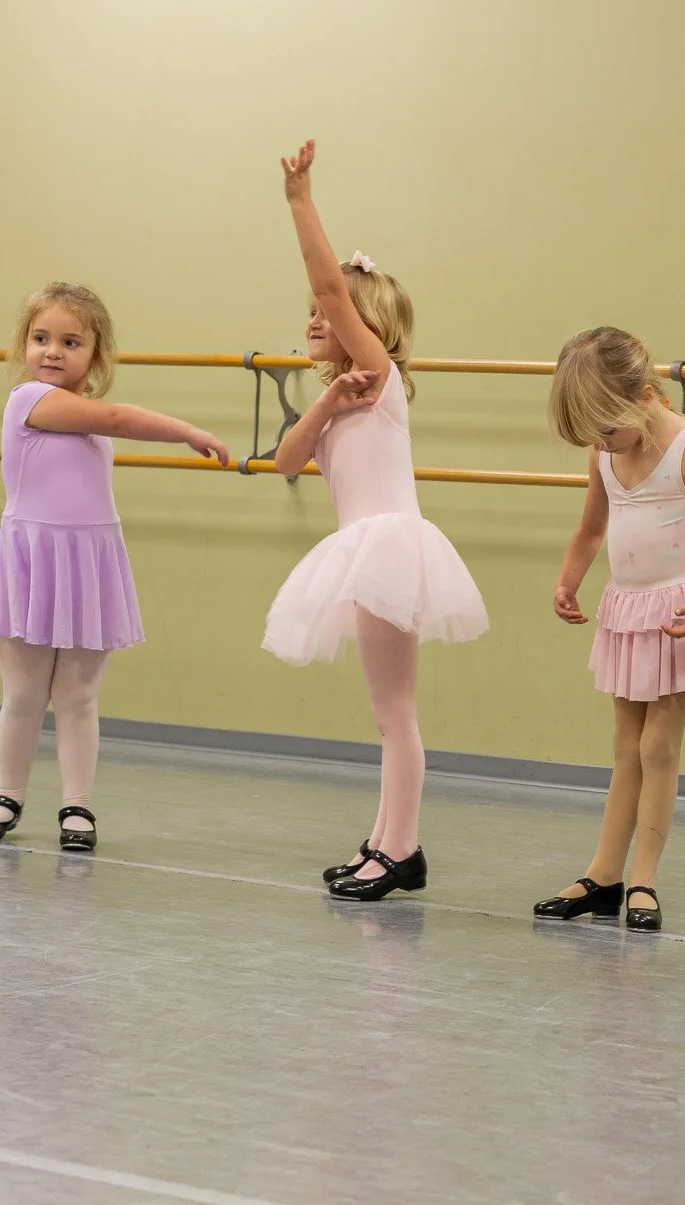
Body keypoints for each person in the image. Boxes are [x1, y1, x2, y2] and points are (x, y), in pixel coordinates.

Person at [262, 139, 489, 901]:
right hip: (366, 551)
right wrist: (324, 399)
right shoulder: (341, 402)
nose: (318, 318)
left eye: (333, 315)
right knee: (384, 709)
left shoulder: (385, 380)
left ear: (370, 328)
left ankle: (402, 849)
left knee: (396, 711)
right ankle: (386, 839)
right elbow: (288, 462)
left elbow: (329, 285)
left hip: (389, 546)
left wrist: (300, 200)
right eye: (316, 316)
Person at [0, 281, 230, 849]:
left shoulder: (82, 415)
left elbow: (100, 419)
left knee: (80, 697)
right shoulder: (29, 399)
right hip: (33, 558)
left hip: (89, 559)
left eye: (69, 341)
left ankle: (77, 806)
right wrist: (185, 431)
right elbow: (113, 415)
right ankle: (7, 794)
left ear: (96, 353)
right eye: (40, 338)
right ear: (23, 345)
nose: (51, 352)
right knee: (25, 693)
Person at [534, 327, 685, 932]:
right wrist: (568, 581)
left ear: (643, 394)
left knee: (659, 747)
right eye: (593, 436)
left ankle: (644, 880)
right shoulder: (604, 452)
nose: (603, 444)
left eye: (607, 429)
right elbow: (590, 529)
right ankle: (603, 874)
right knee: (624, 748)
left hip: (679, 613)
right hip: (626, 612)